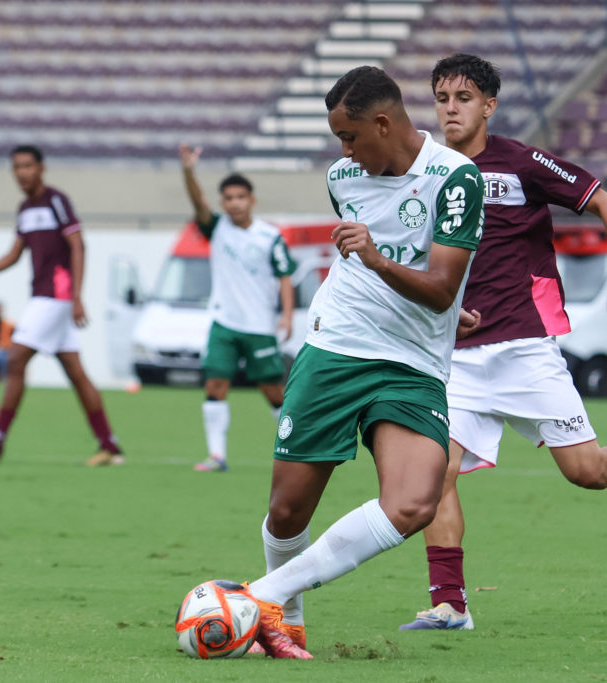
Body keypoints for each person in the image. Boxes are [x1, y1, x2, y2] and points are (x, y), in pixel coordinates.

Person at [397, 54, 607, 631]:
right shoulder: (427, 169)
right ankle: (449, 603)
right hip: (454, 357)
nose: (450, 109)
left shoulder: (521, 163)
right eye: (441, 98)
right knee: (436, 470)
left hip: (524, 348)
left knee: (586, 471)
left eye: (463, 98)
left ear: (489, 105)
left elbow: (605, 201)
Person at [230, 65, 485, 659]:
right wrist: (394, 276)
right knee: (288, 509)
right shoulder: (344, 178)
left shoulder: (455, 179)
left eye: (349, 137)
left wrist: (380, 262)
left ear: (383, 122)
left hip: (413, 362)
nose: (342, 151)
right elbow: (399, 274)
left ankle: (256, 596)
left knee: (415, 503)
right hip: (336, 346)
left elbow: (442, 286)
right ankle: (284, 623)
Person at [0, 145, 123, 466]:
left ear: (41, 168)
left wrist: (76, 296)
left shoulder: (56, 201)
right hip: (44, 296)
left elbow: (78, 245)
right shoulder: (25, 209)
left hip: (56, 296)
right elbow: (14, 254)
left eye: (27, 166)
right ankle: (109, 446)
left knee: (17, 359)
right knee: (76, 373)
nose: (22, 173)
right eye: (16, 167)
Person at [177, 149, 297, 473]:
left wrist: (285, 315)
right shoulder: (216, 228)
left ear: (252, 200)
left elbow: (285, 277)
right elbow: (198, 202)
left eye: (240, 197)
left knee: (273, 392)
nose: (234, 203)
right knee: (214, 385)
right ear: (222, 202)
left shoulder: (270, 237)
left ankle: (295, 449)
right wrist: (189, 170)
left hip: (259, 326)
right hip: (224, 322)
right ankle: (217, 456)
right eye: (228, 198)